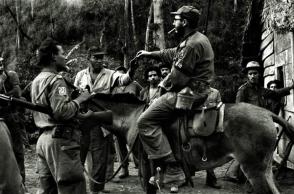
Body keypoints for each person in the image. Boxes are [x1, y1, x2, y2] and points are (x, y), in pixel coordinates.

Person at [136, 5, 214, 189]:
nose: (173, 22)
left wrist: (160, 91)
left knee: (144, 122)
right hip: (196, 88)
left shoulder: (192, 44)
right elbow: (173, 53)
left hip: (190, 92)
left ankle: (172, 165)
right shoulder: (194, 39)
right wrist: (150, 53)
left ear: (184, 22)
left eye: (177, 19)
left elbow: (177, 79)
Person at [31, 38, 91, 194]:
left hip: (43, 140)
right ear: (53, 57)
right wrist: (81, 99)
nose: (65, 57)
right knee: (72, 188)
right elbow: (62, 112)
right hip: (60, 142)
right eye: (62, 54)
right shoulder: (57, 80)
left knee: (48, 190)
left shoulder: (37, 80)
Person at [74, 47, 138, 194]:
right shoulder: (80, 75)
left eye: (101, 57)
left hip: (100, 120)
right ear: (88, 58)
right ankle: (77, 188)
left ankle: (96, 190)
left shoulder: (110, 74)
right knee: (78, 156)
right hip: (82, 119)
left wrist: (131, 71)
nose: (99, 60)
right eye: (96, 57)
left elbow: (123, 80)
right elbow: (75, 95)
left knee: (99, 158)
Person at [225, 61, 294, 183]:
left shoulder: (261, 90)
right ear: (247, 75)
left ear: (259, 74)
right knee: (246, 151)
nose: (253, 76)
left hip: (258, 126)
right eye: (250, 73)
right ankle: (234, 174)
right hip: (247, 126)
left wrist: (291, 88)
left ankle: (240, 175)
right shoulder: (243, 90)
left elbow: (275, 93)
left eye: (255, 73)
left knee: (254, 152)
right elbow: (237, 110)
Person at [0, 57, 26, 184]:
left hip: (11, 115)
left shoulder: (11, 75)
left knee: (17, 151)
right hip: (1, 118)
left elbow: (17, 92)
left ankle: (22, 181)